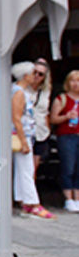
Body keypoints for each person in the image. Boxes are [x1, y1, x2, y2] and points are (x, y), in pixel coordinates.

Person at [11, 60, 54, 219]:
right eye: (32, 73)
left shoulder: (19, 91)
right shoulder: (19, 92)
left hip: (27, 134)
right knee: (27, 169)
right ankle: (32, 203)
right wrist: (23, 141)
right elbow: (16, 118)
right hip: (23, 135)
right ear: (25, 75)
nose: (34, 76)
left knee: (23, 169)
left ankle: (24, 200)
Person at [48, 69, 79, 212]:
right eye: (73, 80)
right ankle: (68, 198)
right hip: (66, 136)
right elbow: (53, 119)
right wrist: (66, 116)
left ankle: (77, 198)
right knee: (68, 167)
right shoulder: (62, 99)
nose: (76, 84)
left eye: (78, 81)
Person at [31, 58, 52, 175]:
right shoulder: (21, 88)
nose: (37, 76)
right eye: (35, 72)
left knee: (33, 168)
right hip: (24, 131)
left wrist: (48, 130)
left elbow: (45, 112)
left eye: (41, 74)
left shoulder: (45, 91)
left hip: (40, 132)